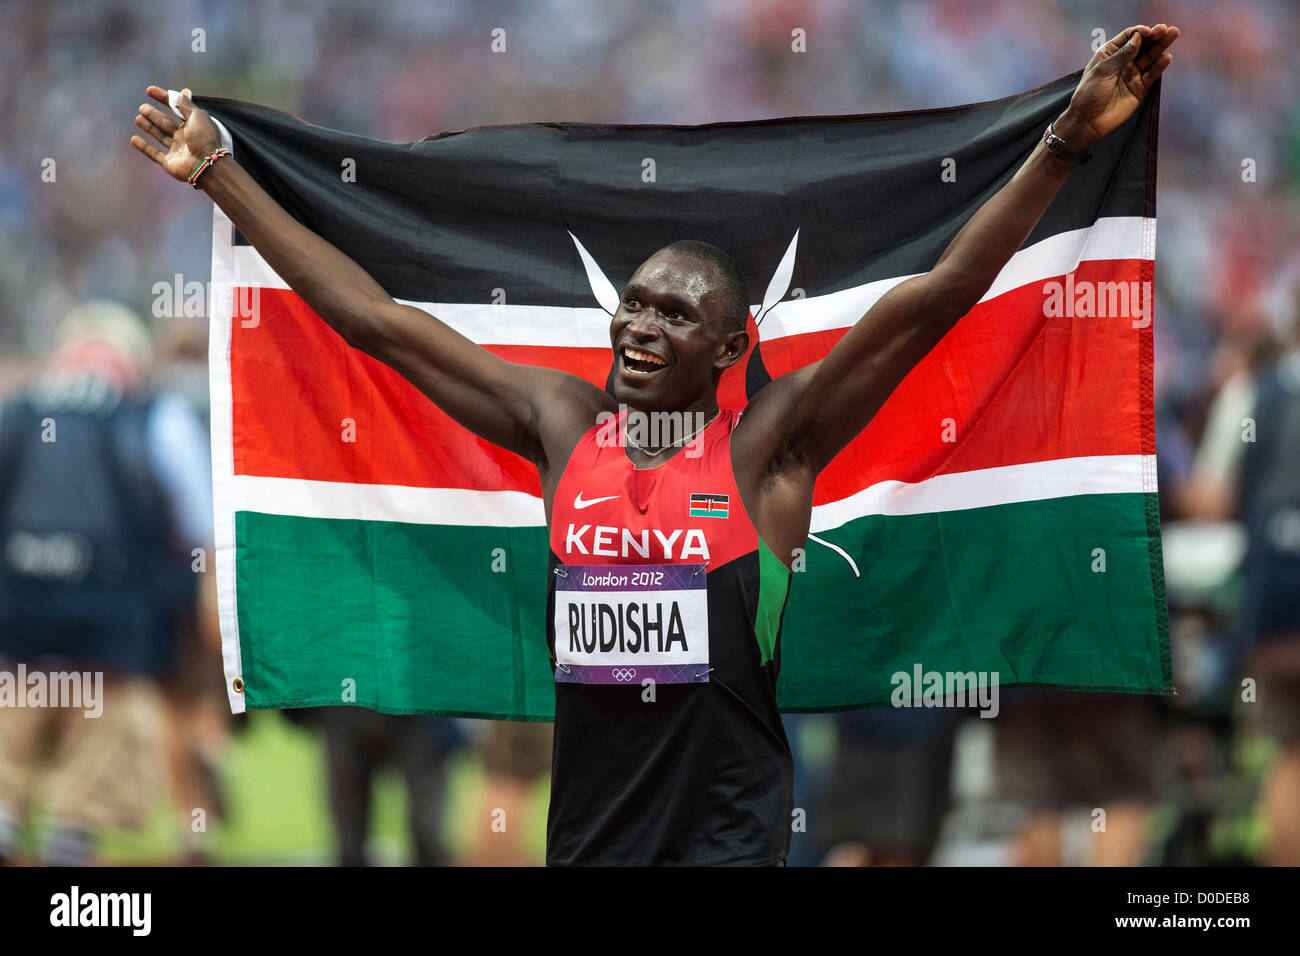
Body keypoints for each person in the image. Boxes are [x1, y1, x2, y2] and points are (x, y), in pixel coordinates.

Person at [130, 24, 1178, 865]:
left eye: (674, 316)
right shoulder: (559, 424)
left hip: (727, 833)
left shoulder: (770, 446)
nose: (638, 325)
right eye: (631, 304)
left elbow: (937, 295)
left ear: (731, 345)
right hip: (588, 834)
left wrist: (1065, 142)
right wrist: (217, 171)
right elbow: (370, 319)